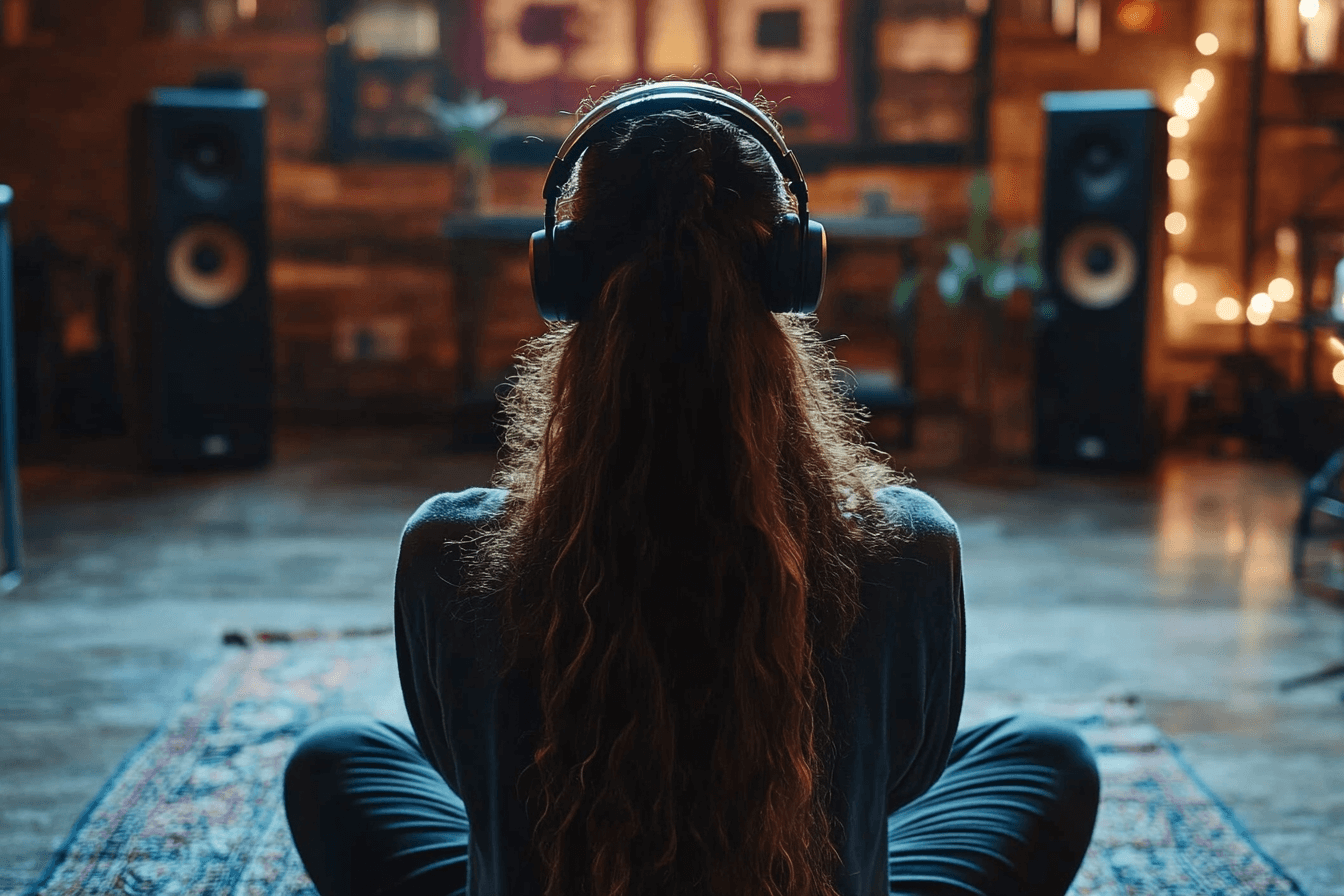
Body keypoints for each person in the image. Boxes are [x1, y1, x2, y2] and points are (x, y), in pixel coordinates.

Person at [283, 80, 1100, 896]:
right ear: (793, 270)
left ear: (560, 273)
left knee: (335, 757)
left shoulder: (448, 549)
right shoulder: (909, 547)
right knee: (1045, 753)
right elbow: (902, 780)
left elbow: (461, 768)